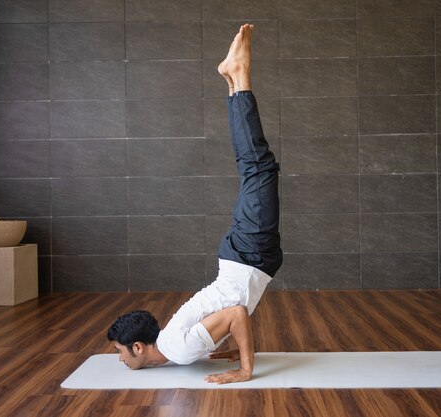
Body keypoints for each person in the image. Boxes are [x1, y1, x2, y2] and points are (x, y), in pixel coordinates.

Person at [106, 23, 282, 385]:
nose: (120, 359)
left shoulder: (179, 350)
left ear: (138, 347)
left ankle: (239, 77)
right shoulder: (176, 349)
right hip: (242, 258)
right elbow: (221, 320)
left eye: (120, 352)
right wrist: (226, 352)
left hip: (248, 258)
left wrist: (245, 369)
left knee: (259, 168)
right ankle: (234, 82)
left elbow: (235, 313)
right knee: (255, 168)